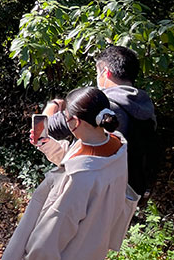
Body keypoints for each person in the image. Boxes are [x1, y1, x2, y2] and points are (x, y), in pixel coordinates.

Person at [9, 45, 158, 260]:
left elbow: (80, 157)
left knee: (71, 256)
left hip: (98, 193)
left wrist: (53, 110)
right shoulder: (141, 106)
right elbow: (94, 151)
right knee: (89, 251)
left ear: (106, 71)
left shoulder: (106, 110)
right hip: (123, 193)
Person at [2, 87, 137, 260]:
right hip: (88, 257)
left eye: (66, 119)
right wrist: (46, 143)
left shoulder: (79, 179)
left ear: (74, 122)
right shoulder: (116, 144)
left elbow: (55, 228)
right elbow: (75, 155)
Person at [46, 45, 158, 198]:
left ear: (106, 72)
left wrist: (54, 104)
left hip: (94, 192)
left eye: (97, 72)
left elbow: (46, 127)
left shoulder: (97, 104)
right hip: (130, 194)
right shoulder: (146, 105)